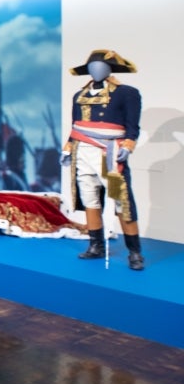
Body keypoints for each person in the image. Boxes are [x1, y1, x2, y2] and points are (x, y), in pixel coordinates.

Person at [61, 49, 144, 270]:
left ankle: (134, 252)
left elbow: (132, 126)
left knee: (120, 200)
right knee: (90, 198)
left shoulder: (127, 93)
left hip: (109, 152)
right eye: (92, 66)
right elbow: (75, 125)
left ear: (110, 69)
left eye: (100, 66)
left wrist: (128, 144)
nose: (95, 70)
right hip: (83, 152)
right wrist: (68, 148)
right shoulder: (79, 95)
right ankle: (95, 245)